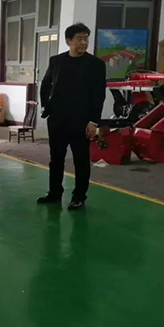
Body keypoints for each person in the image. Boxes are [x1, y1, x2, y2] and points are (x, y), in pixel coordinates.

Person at [38, 23, 106, 210]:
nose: (83, 42)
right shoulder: (56, 61)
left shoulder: (96, 65)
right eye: (79, 39)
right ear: (68, 41)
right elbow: (45, 85)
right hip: (57, 119)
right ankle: (54, 192)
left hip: (82, 121)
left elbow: (99, 95)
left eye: (86, 39)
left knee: (81, 160)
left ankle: (79, 196)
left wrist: (93, 121)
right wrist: (46, 106)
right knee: (56, 158)